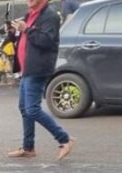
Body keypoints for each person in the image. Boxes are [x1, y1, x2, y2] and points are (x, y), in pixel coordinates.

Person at [6, 0, 76, 160]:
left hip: (38, 69)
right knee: (24, 108)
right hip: (26, 69)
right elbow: (23, 38)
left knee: (32, 109)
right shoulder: (30, 15)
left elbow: (47, 41)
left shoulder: (50, 16)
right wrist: (12, 32)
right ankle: (28, 147)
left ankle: (64, 139)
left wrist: (27, 29)